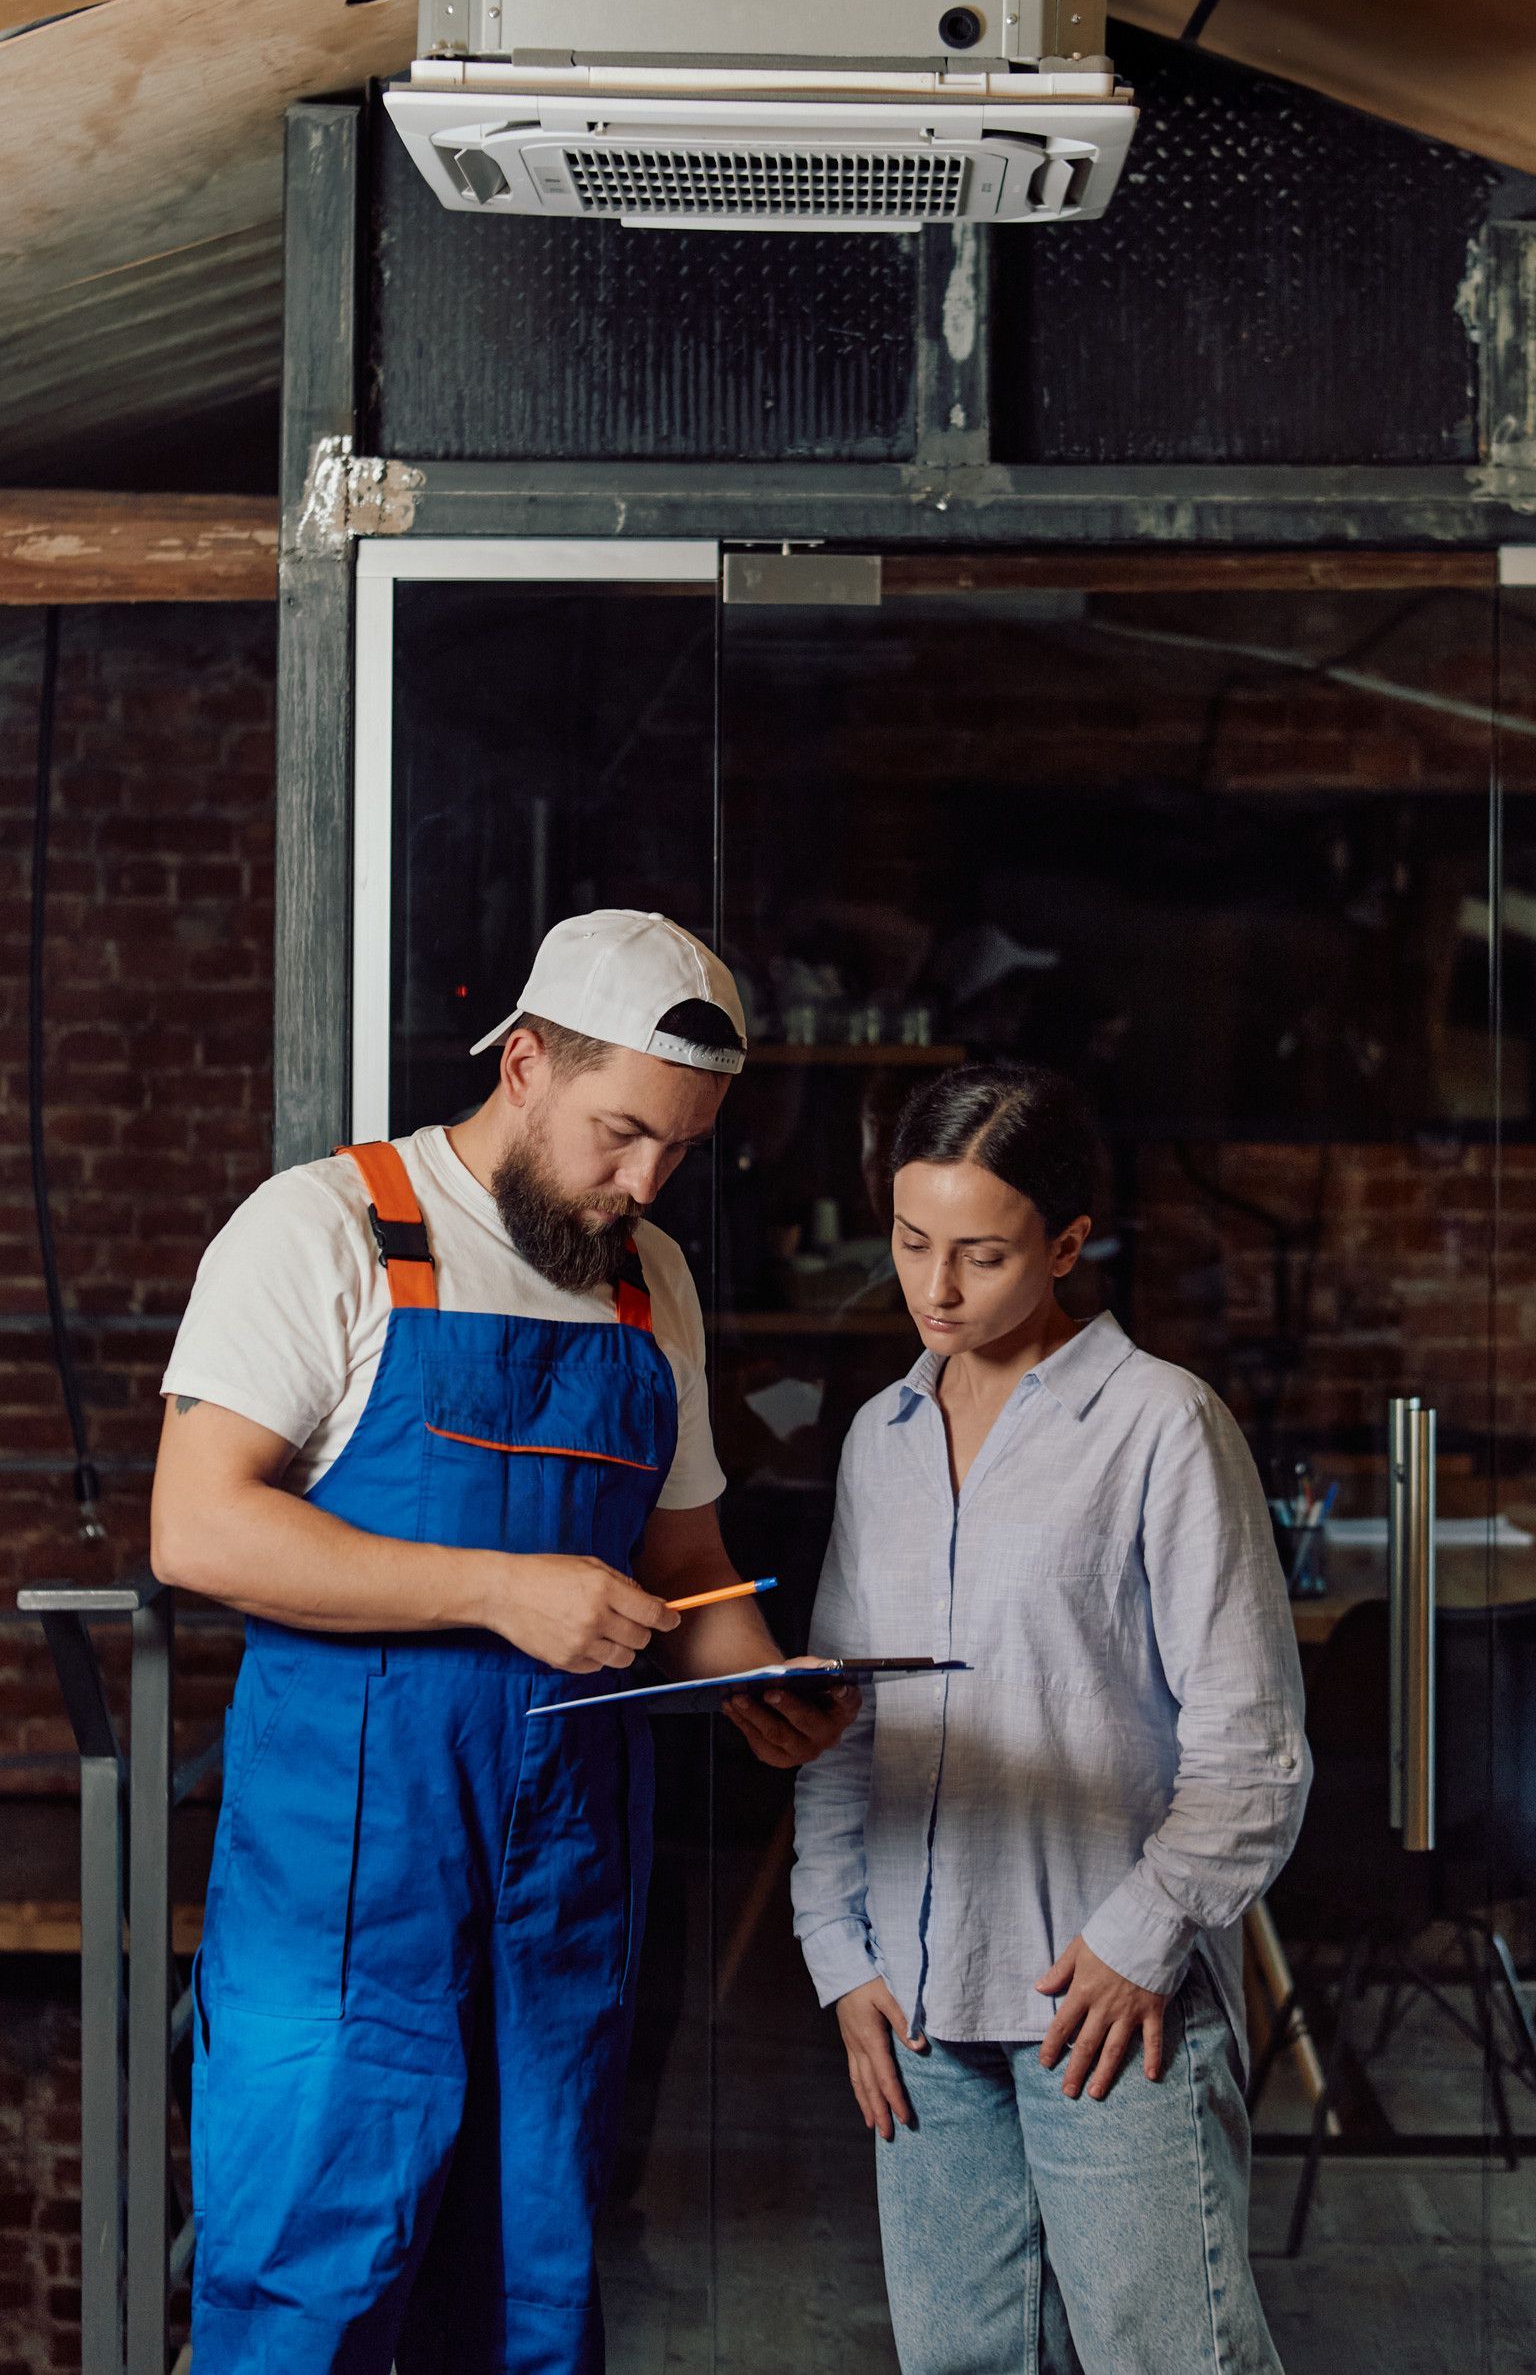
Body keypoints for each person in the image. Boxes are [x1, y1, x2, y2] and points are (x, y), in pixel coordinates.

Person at [152, 908, 855, 2375]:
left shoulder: (647, 1281)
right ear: (524, 1062)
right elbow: (200, 1531)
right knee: (308, 2297)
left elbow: (687, 1560)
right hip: (350, 1892)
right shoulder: (329, 1229)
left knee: (530, 2299)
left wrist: (757, 1681)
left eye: (682, 1148)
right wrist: (499, 1588)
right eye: (622, 1134)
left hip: (564, 1884)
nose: (646, 1182)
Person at [791, 1062, 1310, 2375]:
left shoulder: (1161, 1428)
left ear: (1069, 1246)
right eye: (912, 1243)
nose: (936, 1289)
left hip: (1107, 2007)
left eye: (983, 1255)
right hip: (915, 2010)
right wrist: (835, 1954)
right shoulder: (880, 1440)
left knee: (1171, 2361)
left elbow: (1253, 1757)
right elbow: (847, 1725)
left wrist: (1143, 1938)